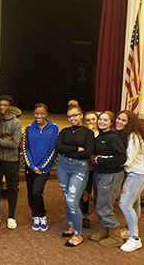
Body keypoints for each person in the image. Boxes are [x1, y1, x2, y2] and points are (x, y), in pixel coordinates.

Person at [55, 102, 95, 247]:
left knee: (72, 200)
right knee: (67, 198)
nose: (72, 118)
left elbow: (87, 152)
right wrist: (76, 148)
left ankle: (78, 234)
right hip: (63, 166)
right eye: (69, 116)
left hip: (79, 168)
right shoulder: (65, 131)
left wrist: (68, 151)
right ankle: (71, 226)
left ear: (81, 115)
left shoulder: (88, 133)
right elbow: (58, 147)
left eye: (75, 115)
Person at [90, 111, 126, 248]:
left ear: (111, 122)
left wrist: (100, 160)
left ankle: (115, 236)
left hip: (111, 175)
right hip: (100, 173)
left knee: (104, 206)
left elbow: (121, 158)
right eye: (100, 119)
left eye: (105, 120)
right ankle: (104, 229)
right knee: (100, 203)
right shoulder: (101, 135)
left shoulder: (113, 137)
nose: (101, 122)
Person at [23, 103, 58, 232]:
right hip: (31, 167)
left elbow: (54, 150)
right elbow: (25, 148)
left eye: (42, 114)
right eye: (37, 113)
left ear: (46, 114)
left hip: (44, 168)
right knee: (30, 193)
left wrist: (42, 166)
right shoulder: (28, 128)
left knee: (36, 191)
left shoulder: (54, 128)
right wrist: (32, 166)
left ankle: (42, 215)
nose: (39, 116)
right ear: (34, 114)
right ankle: (35, 216)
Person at [116, 110, 144, 252]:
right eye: (118, 118)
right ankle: (130, 230)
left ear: (130, 123)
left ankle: (135, 238)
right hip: (134, 173)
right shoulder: (125, 135)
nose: (119, 122)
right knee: (134, 204)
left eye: (123, 120)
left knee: (124, 204)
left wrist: (109, 162)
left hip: (137, 174)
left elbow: (128, 161)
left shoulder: (133, 137)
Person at [0, 95, 21, 230]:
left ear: (10, 107)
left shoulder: (15, 123)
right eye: (0, 105)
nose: (2, 107)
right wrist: (5, 139)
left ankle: (11, 217)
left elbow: (15, 144)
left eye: (5, 105)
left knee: (12, 189)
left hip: (11, 160)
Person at [80, 111, 100, 229]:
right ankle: (84, 214)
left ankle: (101, 217)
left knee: (99, 192)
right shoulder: (83, 134)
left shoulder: (103, 133)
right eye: (88, 120)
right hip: (87, 167)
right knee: (85, 191)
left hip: (100, 168)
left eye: (93, 119)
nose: (91, 122)